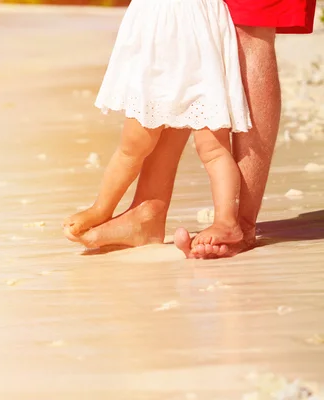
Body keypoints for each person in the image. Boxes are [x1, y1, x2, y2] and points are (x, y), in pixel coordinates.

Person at [65, 0, 318, 259]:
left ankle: (234, 222)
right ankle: (140, 213)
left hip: (202, 60)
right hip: (166, 55)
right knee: (134, 145)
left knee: (213, 147)